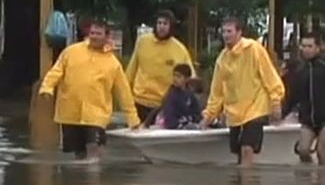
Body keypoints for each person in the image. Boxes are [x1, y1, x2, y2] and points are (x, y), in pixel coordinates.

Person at [38, 20, 141, 163]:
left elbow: (123, 92)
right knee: (78, 155)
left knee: (93, 151)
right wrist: (47, 88)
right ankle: (78, 183)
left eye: (98, 34)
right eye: (92, 33)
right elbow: (56, 72)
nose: (94, 36)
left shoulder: (113, 63)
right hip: (70, 112)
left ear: (106, 36)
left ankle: (94, 183)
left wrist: (133, 118)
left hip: (96, 114)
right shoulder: (71, 52)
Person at [199, 17, 285, 166]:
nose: (226, 35)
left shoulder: (254, 48)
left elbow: (269, 75)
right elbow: (217, 92)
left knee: (247, 149)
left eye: (229, 31)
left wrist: (276, 101)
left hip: (255, 108)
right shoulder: (222, 59)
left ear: (239, 32)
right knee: (238, 152)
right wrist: (209, 116)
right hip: (234, 112)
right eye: (224, 31)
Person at [282, 32, 325, 165]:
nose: (306, 49)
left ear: (317, 48)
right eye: (303, 46)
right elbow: (293, 96)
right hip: (308, 120)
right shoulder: (299, 70)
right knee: (303, 151)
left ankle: (324, 182)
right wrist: (283, 113)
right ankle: (310, 181)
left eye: (309, 46)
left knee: (321, 150)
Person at [126, 10, 196, 122]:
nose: (161, 27)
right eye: (159, 23)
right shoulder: (142, 42)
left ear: (171, 27)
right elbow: (131, 71)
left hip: (165, 105)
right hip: (140, 101)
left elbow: (190, 77)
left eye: (165, 24)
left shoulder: (179, 49)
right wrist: (126, 98)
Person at [143, 63, 202, 129]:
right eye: (174, 75)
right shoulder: (170, 96)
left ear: (187, 79)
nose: (175, 79)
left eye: (178, 76)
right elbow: (170, 120)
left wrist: (191, 121)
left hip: (185, 124)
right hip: (168, 128)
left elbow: (198, 115)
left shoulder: (190, 95)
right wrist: (184, 125)